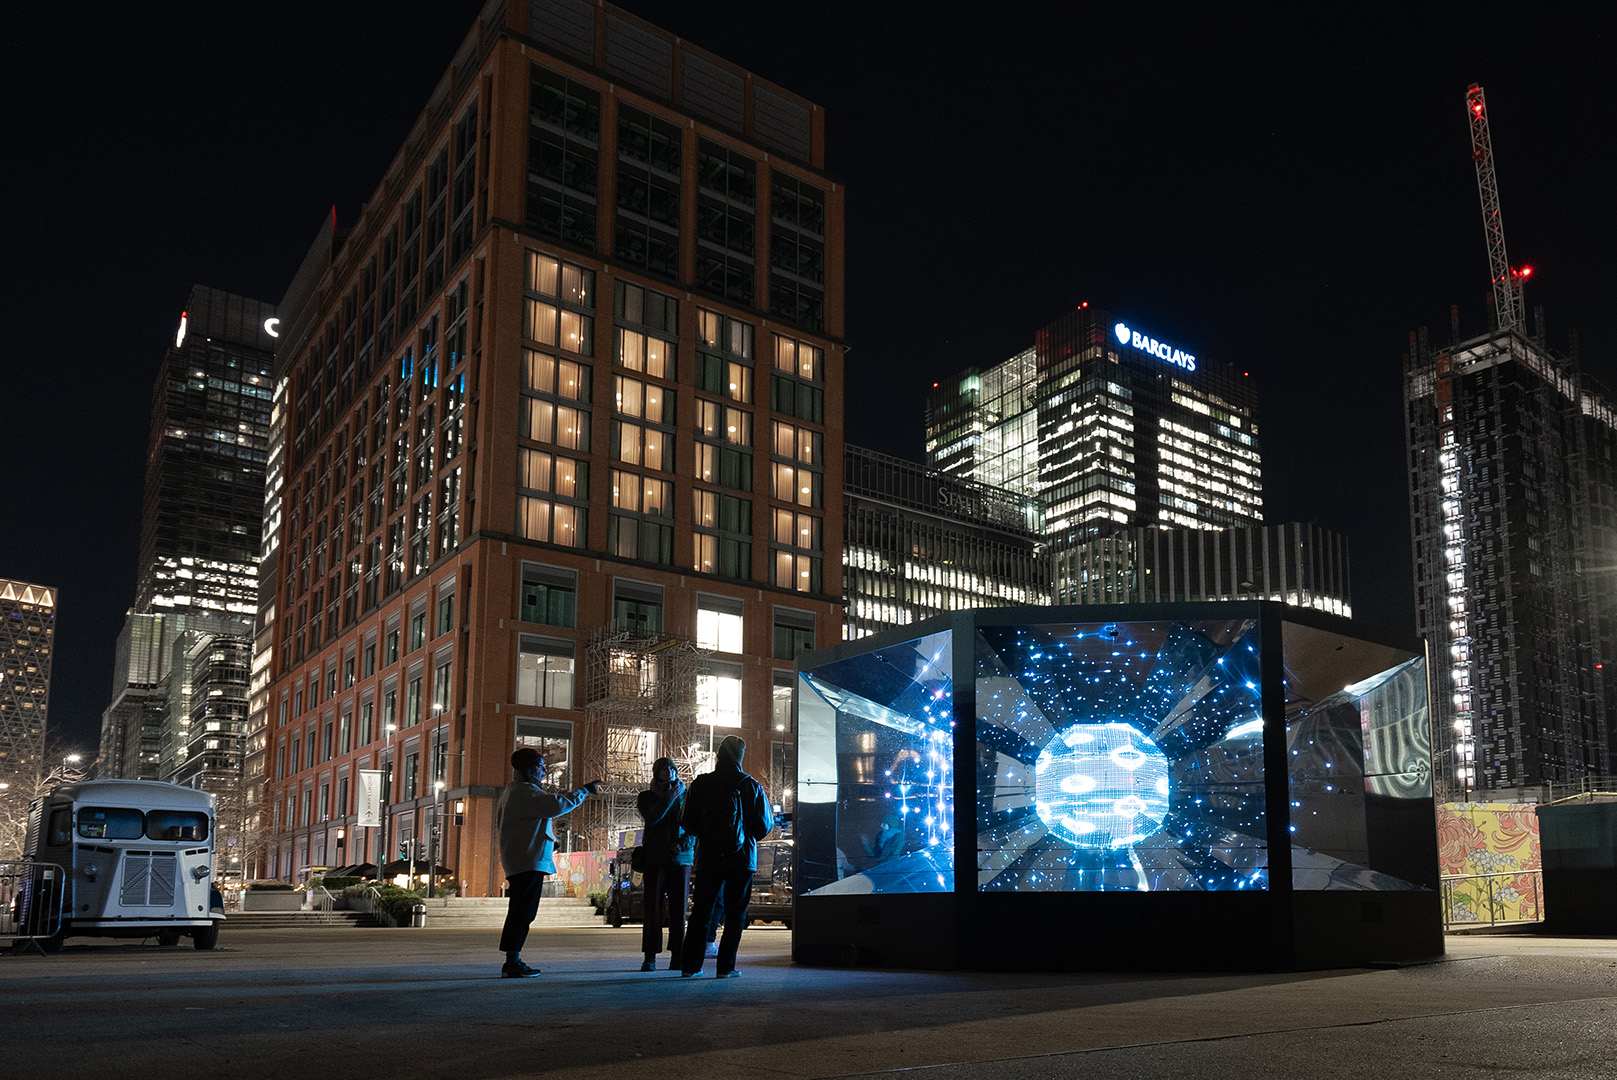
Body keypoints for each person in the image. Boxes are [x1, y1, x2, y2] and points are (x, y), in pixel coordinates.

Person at [494, 746, 600, 978]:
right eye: (541, 767)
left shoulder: (513, 792)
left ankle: (513, 959)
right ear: (530, 770)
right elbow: (556, 805)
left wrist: (548, 842)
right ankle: (512, 961)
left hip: (521, 860)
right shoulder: (525, 792)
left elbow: (526, 827)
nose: (544, 771)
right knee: (523, 913)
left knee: (520, 911)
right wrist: (583, 791)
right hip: (527, 862)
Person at [678, 734, 774, 978]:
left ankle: (691, 967)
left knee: (701, 911)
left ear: (719, 755)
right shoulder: (751, 785)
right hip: (741, 859)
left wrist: (707, 834)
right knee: (735, 914)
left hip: (709, 858)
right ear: (740, 756)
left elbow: (686, 821)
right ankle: (725, 967)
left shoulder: (701, 784)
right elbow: (764, 826)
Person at [635, 756, 693, 971]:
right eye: (664, 769)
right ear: (656, 773)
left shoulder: (687, 796)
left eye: (672, 768)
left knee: (679, 910)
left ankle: (678, 956)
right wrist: (668, 798)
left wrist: (684, 843)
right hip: (655, 858)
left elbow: (694, 825)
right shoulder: (647, 797)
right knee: (653, 910)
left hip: (681, 858)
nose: (669, 772)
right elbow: (652, 819)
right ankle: (650, 956)